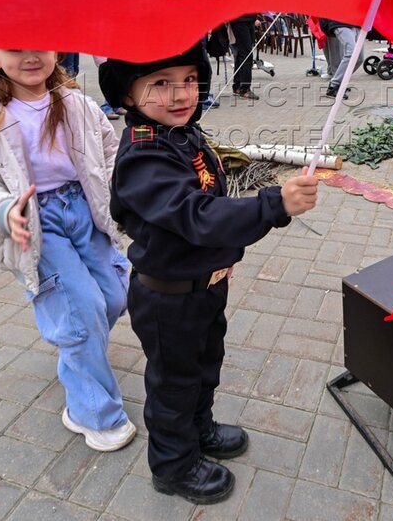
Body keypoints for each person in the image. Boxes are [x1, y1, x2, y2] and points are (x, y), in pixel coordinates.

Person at [99, 43, 318, 504]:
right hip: (168, 298)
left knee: (204, 368)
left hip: (203, 287)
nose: (181, 93)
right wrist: (274, 204)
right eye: (161, 83)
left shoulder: (182, 135)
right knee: (174, 384)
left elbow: (213, 193)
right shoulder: (144, 156)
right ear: (128, 95)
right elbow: (197, 215)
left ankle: (199, 430)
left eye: (190, 79)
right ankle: (173, 466)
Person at [0, 49, 136, 452]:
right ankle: (92, 412)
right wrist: (3, 211)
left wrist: (122, 188)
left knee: (114, 296)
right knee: (79, 311)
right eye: (15, 48)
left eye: (40, 43)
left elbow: (109, 152)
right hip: (35, 221)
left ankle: (78, 352)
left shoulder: (78, 104)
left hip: (85, 209)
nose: (31, 56)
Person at [319, 18, 358, 98]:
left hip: (355, 22)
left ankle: (340, 81)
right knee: (349, 53)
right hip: (339, 22)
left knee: (359, 58)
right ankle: (334, 86)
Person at [228, 15, 258, 100]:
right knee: (246, 55)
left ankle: (237, 86)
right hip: (240, 19)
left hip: (249, 19)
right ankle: (244, 89)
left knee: (242, 54)